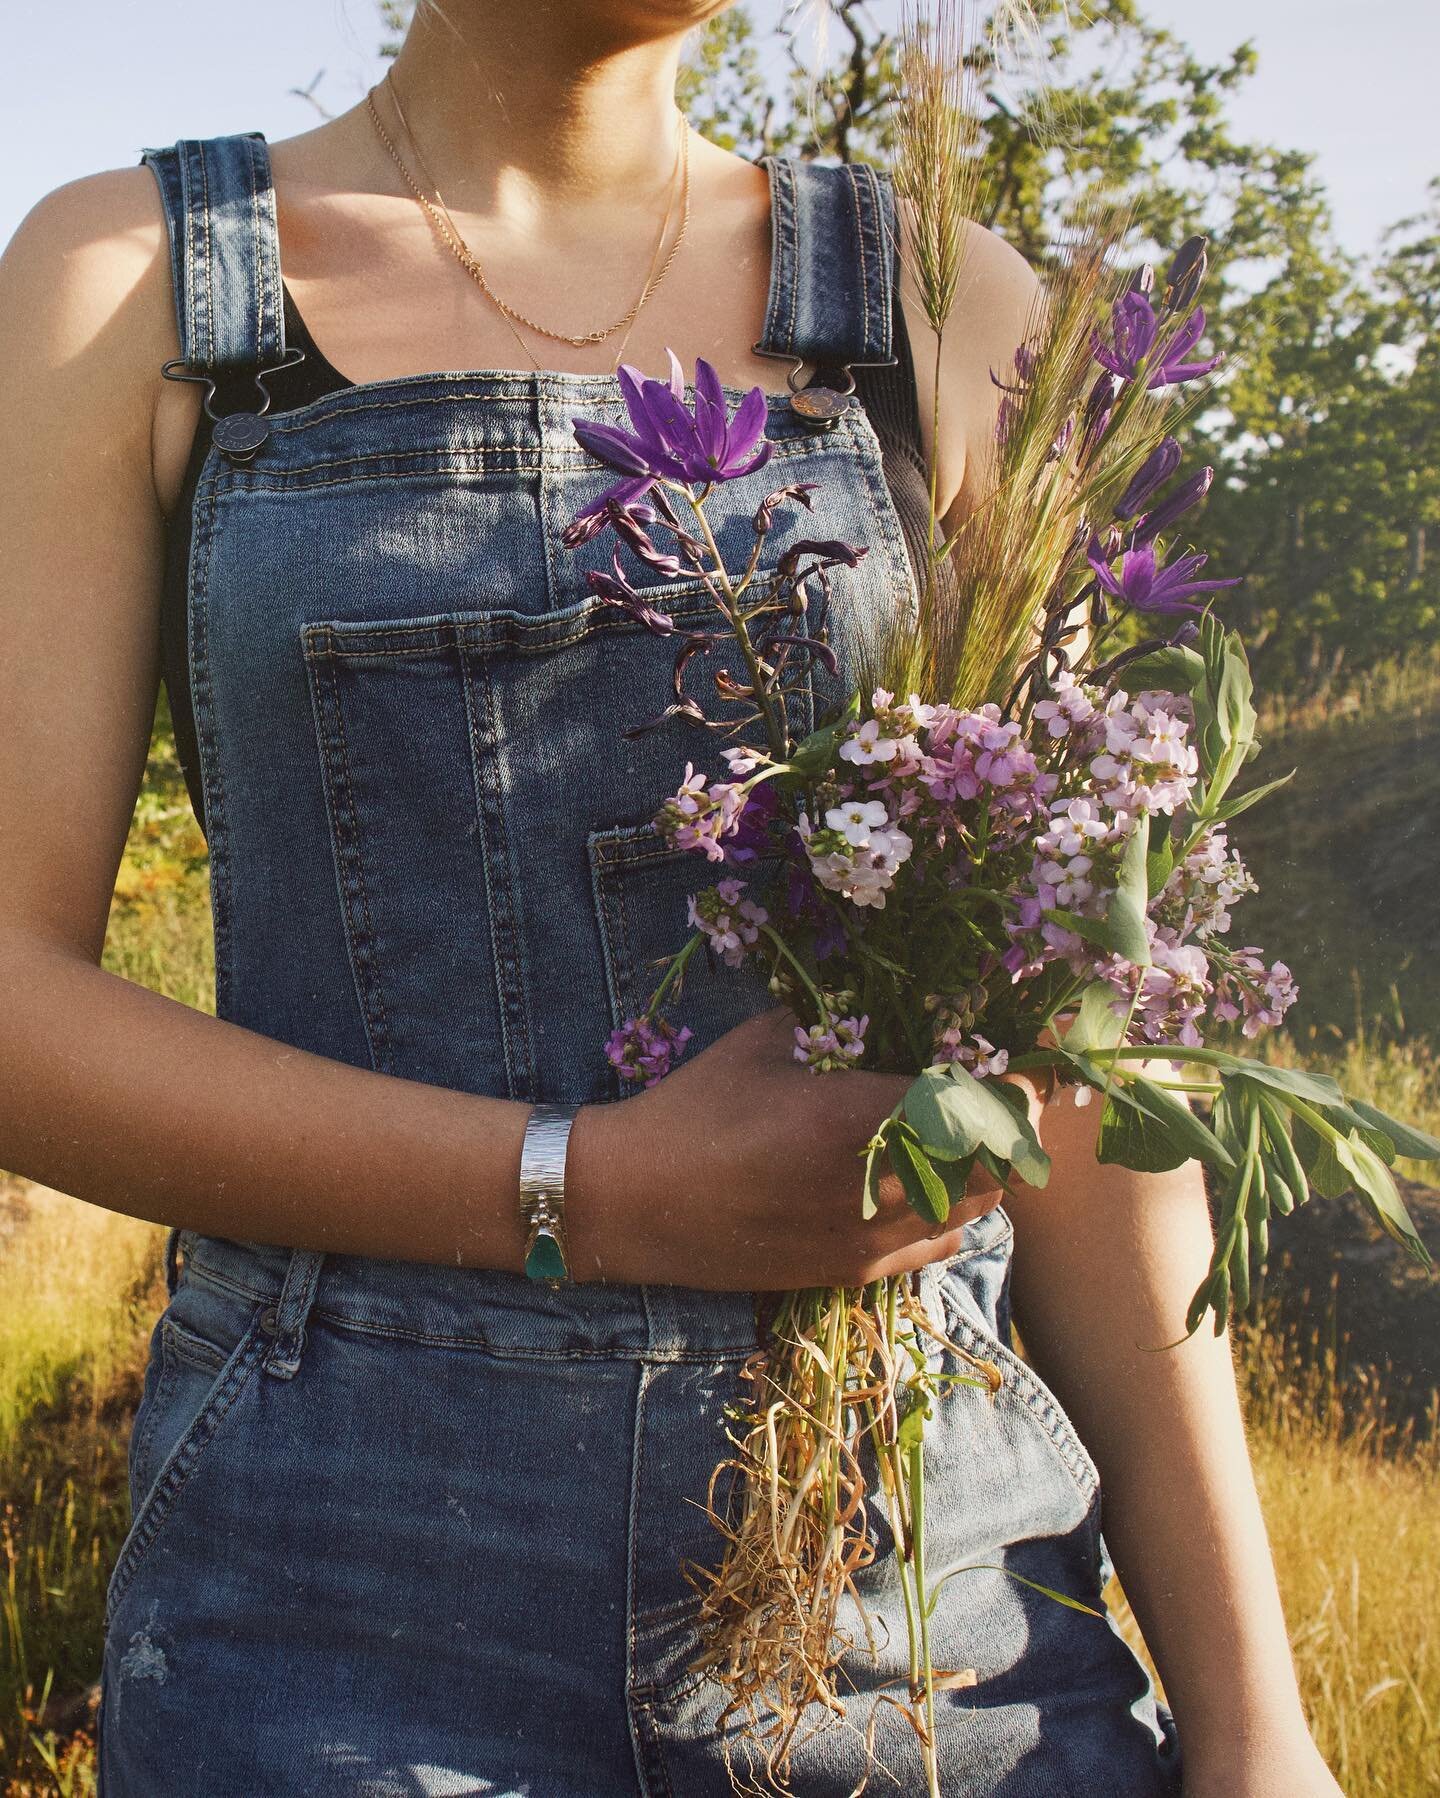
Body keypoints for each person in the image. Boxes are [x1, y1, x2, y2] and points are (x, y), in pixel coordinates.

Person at [0, 2, 1343, 1793]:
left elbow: (1068, 1059)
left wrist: (1257, 1724)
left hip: (930, 1607)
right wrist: (594, 1190)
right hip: (330, 1617)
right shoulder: (135, 287)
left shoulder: (944, 304)